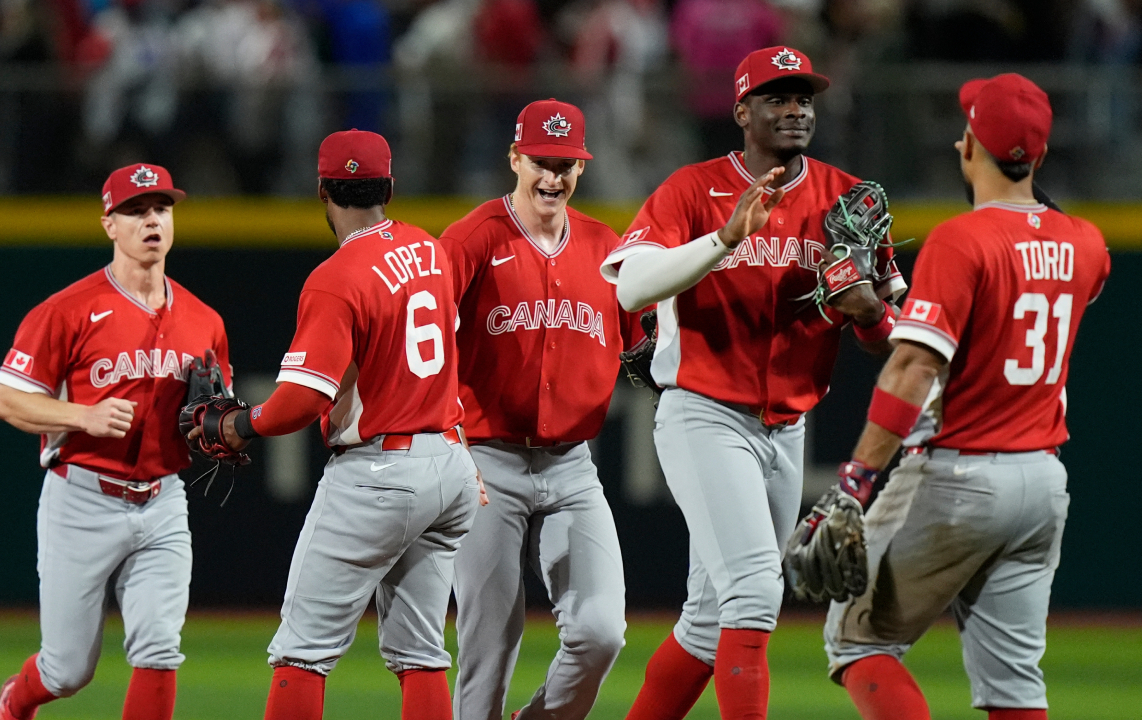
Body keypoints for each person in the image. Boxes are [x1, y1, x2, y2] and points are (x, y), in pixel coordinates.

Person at [599, 46, 906, 720]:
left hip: (788, 427)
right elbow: (631, 289)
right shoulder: (694, 189)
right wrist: (722, 240)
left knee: (709, 620)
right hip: (704, 413)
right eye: (776, 97)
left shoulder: (846, 197)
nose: (795, 110)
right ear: (742, 111)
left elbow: (897, 340)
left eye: (803, 98)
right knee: (755, 593)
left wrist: (869, 314)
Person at [820, 73, 1110, 720]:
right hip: (1041, 485)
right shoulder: (1088, 243)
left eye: (965, 131)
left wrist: (855, 481)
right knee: (1015, 687)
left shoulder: (959, 239)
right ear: (1040, 155)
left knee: (858, 640)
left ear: (971, 145)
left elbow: (914, 367)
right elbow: (994, 329)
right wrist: (885, 315)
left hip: (958, 478)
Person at [200, 129, 481, 720]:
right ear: (390, 188)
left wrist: (239, 424)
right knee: (422, 653)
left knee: (301, 652)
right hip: (450, 463)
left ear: (322, 191)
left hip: (380, 474)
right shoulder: (430, 250)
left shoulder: (337, 276)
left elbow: (301, 401)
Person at [0, 164, 229, 720]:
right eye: (135, 211)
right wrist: (82, 415)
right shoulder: (66, 310)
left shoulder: (205, 320)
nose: (152, 220)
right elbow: (5, 400)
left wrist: (220, 428)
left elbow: (216, 414)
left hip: (163, 500)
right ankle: (16, 701)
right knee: (66, 670)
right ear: (109, 225)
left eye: (161, 208)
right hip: (82, 498)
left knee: (159, 649)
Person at [442, 98, 645, 720]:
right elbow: (423, 344)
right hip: (485, 461)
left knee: (601, 631)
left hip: (572, 466)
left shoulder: (605, 246)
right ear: (514, 158)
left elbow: (647, 348)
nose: (552, 177)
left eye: (565, 164)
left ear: (581, 168)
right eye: (540, 162)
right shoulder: (471, 239)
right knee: (489, 642)